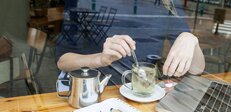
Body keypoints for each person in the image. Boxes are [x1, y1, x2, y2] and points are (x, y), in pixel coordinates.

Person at [56, 0, 205, 85]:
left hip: (147, 94)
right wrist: (100, 59)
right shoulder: (87, 2)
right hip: (101, 93)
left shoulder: (165, 3)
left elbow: (196, 69)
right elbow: (63, 61)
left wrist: (190, 39)